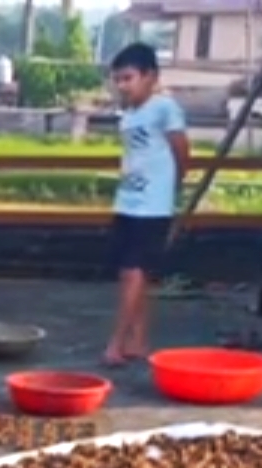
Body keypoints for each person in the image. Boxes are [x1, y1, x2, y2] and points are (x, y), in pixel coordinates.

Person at [104, 41, 189, 366]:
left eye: (129, 78)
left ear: (150, 76)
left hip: (152, 205)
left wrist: (172, 188)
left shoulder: (164, 108)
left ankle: (117, 341)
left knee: (133, 272)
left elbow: (182, 150)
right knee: (133, 275)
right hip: (128, 200)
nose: (123, 86)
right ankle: (139, 340)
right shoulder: (129, 115)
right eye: (119, 80)